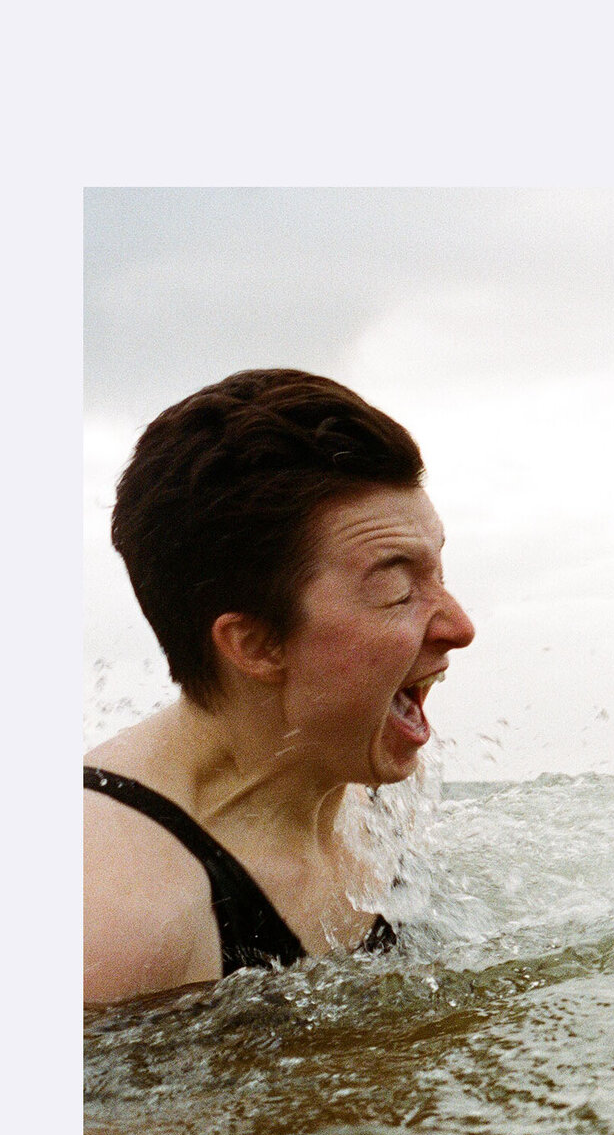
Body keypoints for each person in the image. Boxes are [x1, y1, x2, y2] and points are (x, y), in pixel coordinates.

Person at [83, 369, 475, 1005]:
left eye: (438, 569)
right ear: (255, 645)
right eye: (396, 587)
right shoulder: (117, 915)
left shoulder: (362, 798)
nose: (460, 626)